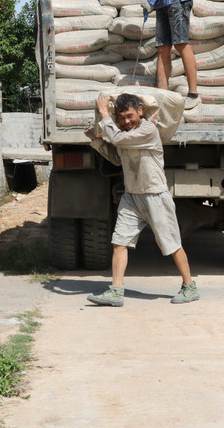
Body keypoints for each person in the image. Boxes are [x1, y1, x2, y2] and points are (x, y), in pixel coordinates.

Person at [84, 94, 199, 306]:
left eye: (130, 116)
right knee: (119, 242)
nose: (126, 121)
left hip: (156, 196)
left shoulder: (148, 130)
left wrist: (104, 114)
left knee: (172, 244)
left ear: (139, 111)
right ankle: (116, 291)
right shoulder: (124, 134)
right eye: (121, 118)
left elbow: (118, 140)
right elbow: (117, 157)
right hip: (131, 196)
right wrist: (96, 140)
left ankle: (189, 286)